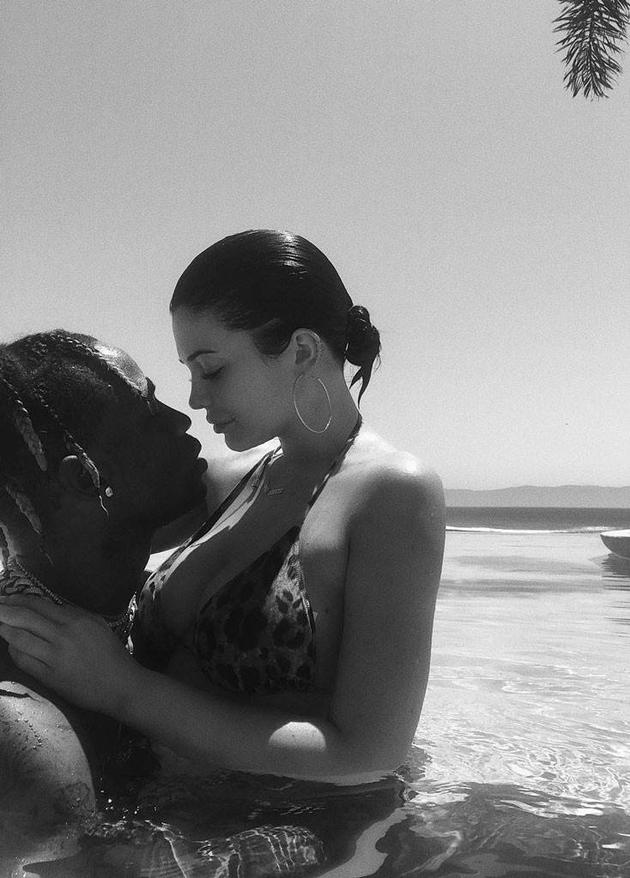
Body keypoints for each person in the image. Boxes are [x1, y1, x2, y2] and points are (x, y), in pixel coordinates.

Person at [0, 230, 445, 785]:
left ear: (302, 351)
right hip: (160, 815)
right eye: (189, 371)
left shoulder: (390, 496)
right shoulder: (223, 482)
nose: (194, 398)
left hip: (297, 828)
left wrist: (123, 690)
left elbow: (369, 755)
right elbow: (60, 527)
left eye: (211, 369)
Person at [0, 329, 206, 864]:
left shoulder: (127, 615)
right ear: (83, 478)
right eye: (149, 412)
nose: (182, 419)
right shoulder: (32, 745)